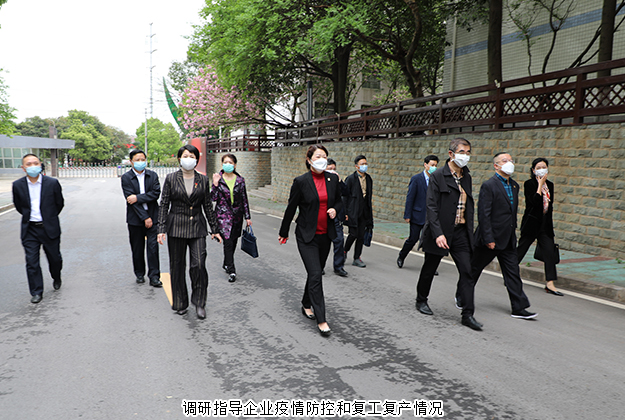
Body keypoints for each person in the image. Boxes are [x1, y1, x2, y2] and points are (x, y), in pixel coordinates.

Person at [415, 139, 481, 331]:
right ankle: (421, 300)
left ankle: (467, 314)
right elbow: (431, 206)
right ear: (451, 154)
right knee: (430, 268)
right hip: (441, 231)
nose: (465, 156)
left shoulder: (467, 177)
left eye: (468, 152)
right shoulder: (438, 176)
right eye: (461, 152)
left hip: (460, 232)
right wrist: (438, 233)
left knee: (467, 271)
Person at [278, 145, 343, 336]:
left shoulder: (332, 179)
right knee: (316, 273)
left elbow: (339, 200)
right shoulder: (301, 181)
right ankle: (321, 319)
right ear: (309, 160)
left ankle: (306, 303)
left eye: (324, 156)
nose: (322, 159)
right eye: (318, 156)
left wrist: (335, 209)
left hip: (326, 235)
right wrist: (284, 232)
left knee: (314, 274)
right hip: (307, 236)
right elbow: (291, 208)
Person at [466, 152, 537, 322]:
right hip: (490, 238)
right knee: (474, 270)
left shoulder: (514, 186)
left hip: (508, 239)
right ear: (496, 165)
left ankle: (519, 307)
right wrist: (488, 238)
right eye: (505, 161)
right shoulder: (489, 185)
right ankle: (462, 296)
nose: (509, 163)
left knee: (513, 273)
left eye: (511, 160)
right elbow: (484, 214)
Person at [157, 145, 223, 320]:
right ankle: (180, 303)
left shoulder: (203, 179)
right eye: (185, 156)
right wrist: (161, 228)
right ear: (179, 158)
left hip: (197, 228)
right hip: (176, 227)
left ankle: (200, 302)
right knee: (177, 266)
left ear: (196, 160)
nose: (189, 159)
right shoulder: (171, 178)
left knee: (199, 264)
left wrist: (215, 229)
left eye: (192, 156)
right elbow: (164, 204)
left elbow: (207, 206)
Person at [12, 154, 64, 304]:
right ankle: (36, 291)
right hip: (30, 229)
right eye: (28, 164)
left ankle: (56, 276)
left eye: (35, 163)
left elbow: (59, 203)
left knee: (54, 258)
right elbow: (19, 206)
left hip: (49, 228)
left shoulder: (52, 183)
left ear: (40, 165)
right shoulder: (18, 185)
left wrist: (49, 217)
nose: (32, 166)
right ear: (23, 168)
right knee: (32, 262)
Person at [517, 158, 563, 296]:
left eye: (544, 167)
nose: (542, 169)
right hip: (531, 224)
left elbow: (549, 207)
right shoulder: (529, 184)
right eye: (538, 167)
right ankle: (510, 274)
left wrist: (550, 226)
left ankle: (550, 283)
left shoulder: (550, 185)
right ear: (533, 170)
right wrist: (540, 185)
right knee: (521, 250)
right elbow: (534, 202)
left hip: (545, 225)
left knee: (549, 253)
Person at [121, 149, 162, 287]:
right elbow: (130, 201)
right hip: (135, 219)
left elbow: (155, 193)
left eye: (142, 159)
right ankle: (139, 273)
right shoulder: (126, 178)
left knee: (153, 248)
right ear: (131, 161)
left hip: (153, 216)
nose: (140, 162)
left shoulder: (152, 175)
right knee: (137, 248)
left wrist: (138, 197)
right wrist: (145, 217)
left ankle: (154, 276)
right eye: (137, 160)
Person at [211, 153, 252, 283]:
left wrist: (248, 217)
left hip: (237, 216)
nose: (227, 165)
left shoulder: (240, 180)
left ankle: (226, 262)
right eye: (225, 162)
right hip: (223, 216)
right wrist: (215, 184)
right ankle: (232, 270)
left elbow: (244, 199)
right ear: (222, 164)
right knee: (227, 241)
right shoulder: (218, 179)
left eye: (230, 163)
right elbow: (213, 198)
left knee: (233, 241)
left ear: (235, 165)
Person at [397, 154, 439, 268]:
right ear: (425, 165)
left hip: (431, 217)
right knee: (413, 239)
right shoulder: (416, 179)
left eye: (436, 165)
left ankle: (429, 267)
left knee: (429, 242)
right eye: (432, 165)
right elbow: (410, 198)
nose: (434, 167)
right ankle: (401, 256)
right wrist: (407, 215)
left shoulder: (437, 180)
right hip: (417, 215)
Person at [344, 155, 373, 268]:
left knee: (361, 236)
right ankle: (344, 251)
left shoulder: (369, 179)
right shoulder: (350, 179)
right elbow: (345, 197)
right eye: (362, 164)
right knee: (353, 234)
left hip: (364, 212)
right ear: (356, 166)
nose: (364, 166)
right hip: (353, 211)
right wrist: (345, 213)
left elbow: (369, 197)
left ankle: (357, 257)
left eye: (365, 163)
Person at [324, 158, 348, 277]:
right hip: (323, 216)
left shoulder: (337, 181)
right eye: (330, 169)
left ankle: (339, 267)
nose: (332, 171)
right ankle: (320, 266)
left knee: (339, 241)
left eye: (334, 169)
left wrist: (339, 181)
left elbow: (346, 193)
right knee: (323, 243)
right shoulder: (321, 181)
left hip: (336, 217)